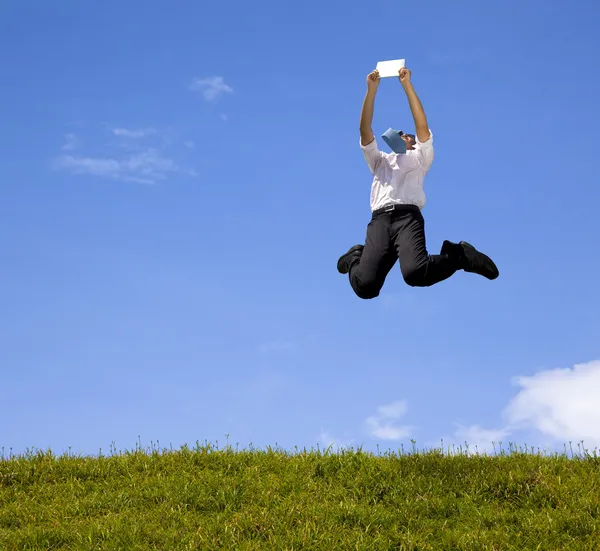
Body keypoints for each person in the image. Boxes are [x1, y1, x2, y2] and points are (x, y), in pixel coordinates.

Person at [337, 66, 499, 299]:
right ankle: (355, 257)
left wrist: (407, 85)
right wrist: (371, 90)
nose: (402, 135)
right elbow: (365, 130)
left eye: (406, 134)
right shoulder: (380, 160)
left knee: (415, 272)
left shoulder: (420, 157)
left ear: (412, 141)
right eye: (399, 133)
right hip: (380, 221)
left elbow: (421, 126)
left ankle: (459, 255)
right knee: (365, 286)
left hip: (407, 218)